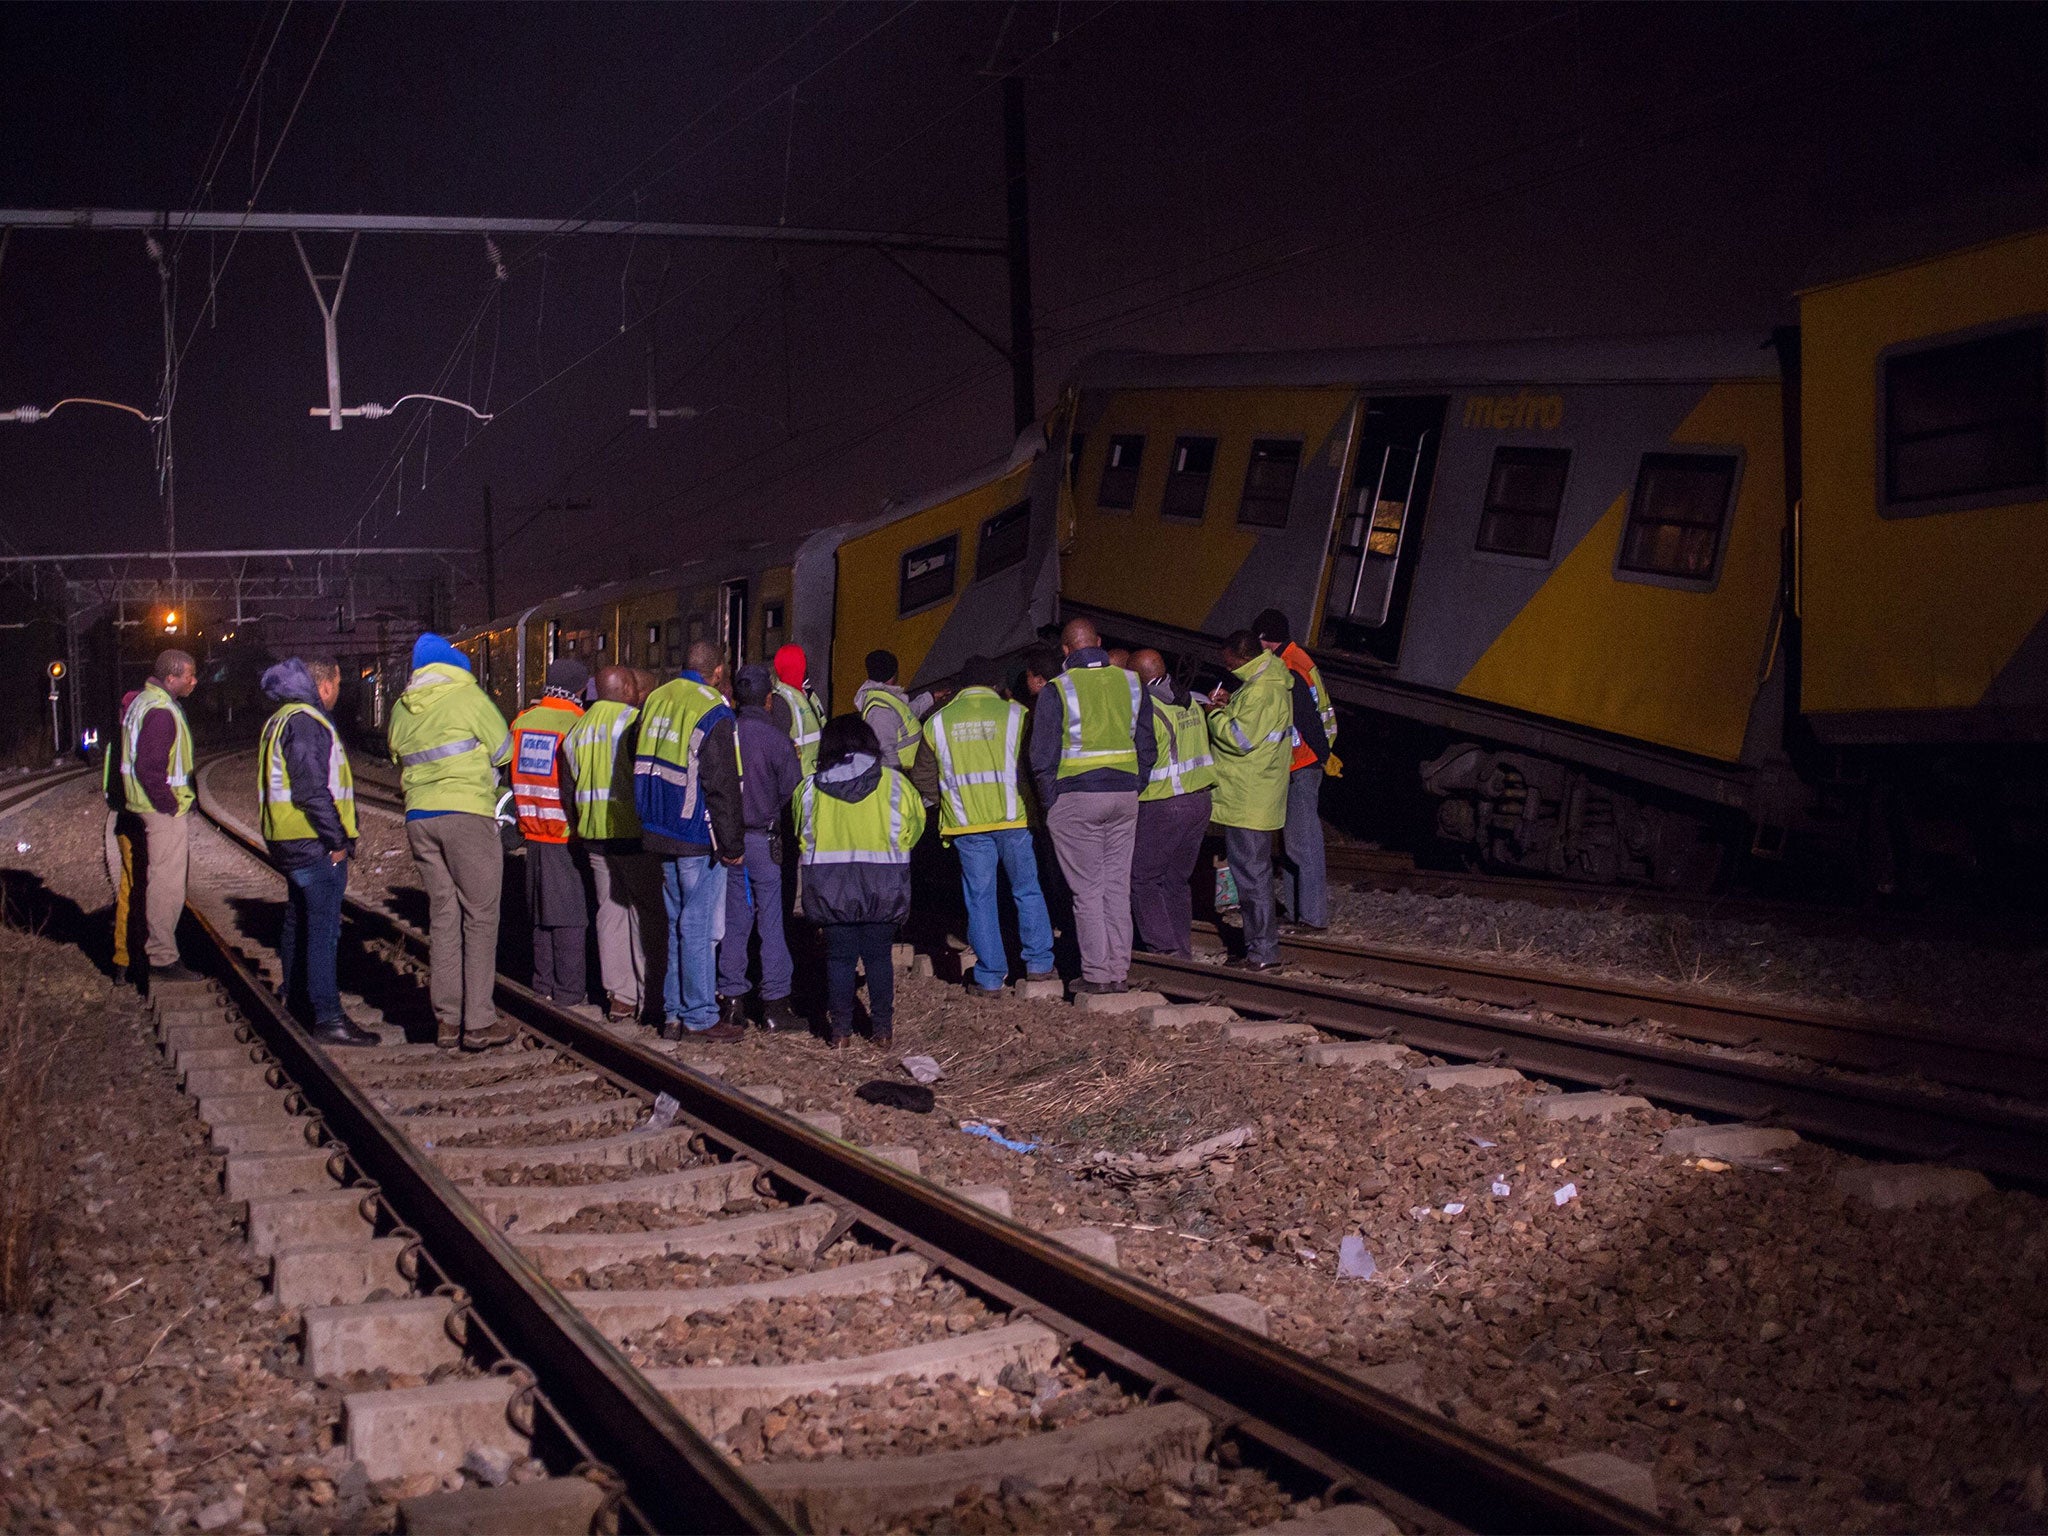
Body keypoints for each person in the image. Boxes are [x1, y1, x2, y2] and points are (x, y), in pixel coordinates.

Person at [389, 633, 515, 1050]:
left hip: (419, 819)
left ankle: (446, 1020)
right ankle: (478, 1022)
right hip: (466, 815)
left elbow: (397, 757)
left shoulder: (401, 708)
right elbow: (503, 749)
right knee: (480, 916)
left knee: (443, 916)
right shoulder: (469, 697)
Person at [1028, 618, 1156, 994]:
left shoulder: (1058, 689)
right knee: (1116, 886)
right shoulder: (1132, 682)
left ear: (1065, 651)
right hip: (1123, 796)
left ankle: (1097, 975)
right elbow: (1148, 744)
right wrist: (1135, 784)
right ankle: (1119, 971)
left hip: (1076, 797)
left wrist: (1051, 803)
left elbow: (1041, 756)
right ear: (1099, 642)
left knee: (1087, 891)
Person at [918, 654, 1054, 996]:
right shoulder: (1018, 715)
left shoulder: (938, 722)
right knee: (1027, 890)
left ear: (962, 686)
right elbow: (1034, 765)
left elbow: (922, 775)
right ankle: (1039, 965)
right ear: (997, 685)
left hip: (966, 825)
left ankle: (991, 976)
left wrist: (950, 798)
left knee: (980, 899)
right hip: (1014, 818)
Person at [258, 656, 376, 1046]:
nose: (338, 694)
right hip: (312, 841)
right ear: (324, 685)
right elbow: (310, 790)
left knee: (298, 921)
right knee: (324, 931)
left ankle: (297, 1005)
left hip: (287, 838)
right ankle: (327, 1017)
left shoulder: (281, 718)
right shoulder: (307, 721)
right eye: (338, 686)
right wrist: (338, 841)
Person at [634, 639, 746, 1042]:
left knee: (677, 921)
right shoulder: (713, 710)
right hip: (696, 832)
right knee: (696, 925)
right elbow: (722, 786)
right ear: (717, 671)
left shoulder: (657, 699)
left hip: (658, 827)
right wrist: (732, 846)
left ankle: (674, 1013)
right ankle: (700, 1015)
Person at [796, 714, 924, 1047]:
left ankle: (840, 1032)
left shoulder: (809, 789)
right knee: (879, 958)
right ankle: (882, 1031)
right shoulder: (896, 784)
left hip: (830, 888)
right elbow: (915, 826)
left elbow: (801, 834)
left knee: (839, 959)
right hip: (884, 885)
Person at [564, 665, 660, 1024]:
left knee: (610, 913)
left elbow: (569, 787)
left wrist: (579, 829)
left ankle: (620, 998)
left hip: (594, 837)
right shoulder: (634, 723)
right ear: (623, 690)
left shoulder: (578, 729)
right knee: (644, 912)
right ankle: (649, 994)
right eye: (633, 685)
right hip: (632, 834)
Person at [718, 664, 803, 1030]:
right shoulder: (776, 740)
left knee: (735, 920)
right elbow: (792, 791)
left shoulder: (724, 732)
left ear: (735, 697)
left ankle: (732, 1000)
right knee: (771, 921)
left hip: (728, 840)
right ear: (769, 700)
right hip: (764, 839)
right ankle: (775, 1006)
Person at [1203, 629, 1293, 971]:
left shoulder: (1261, 690)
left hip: (1248, 798)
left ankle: (1263, 953)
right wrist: (1231, 705)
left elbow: (1239, 740)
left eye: (1229, 662)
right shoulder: (1267, 681)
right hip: (1256, 793)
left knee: (1252, 879)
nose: (1227, 668)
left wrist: (1214, 714)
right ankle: (1260, 948)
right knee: (1253, 875)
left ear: (1242, 658)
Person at [510, 659, 591, 1011]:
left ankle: (542, 985)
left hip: (532, 828)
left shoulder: (521, 722)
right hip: (563, 831)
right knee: (571, 915)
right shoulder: (575, 723)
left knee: (540, 913)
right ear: (580, 690)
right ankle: (570, 992)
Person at [1254, 608, 1338, 932]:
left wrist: (1321, 754)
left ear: (1266, 640)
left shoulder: (1289, 667)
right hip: (1302, 760)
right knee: (1293, 842)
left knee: (1304, 843)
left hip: (1303, 761)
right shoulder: (1296, 658)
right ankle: (1294, 912)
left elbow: (1305, 716)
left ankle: (1313, 918)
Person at [119, 649, 201, 984]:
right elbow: (149, 768)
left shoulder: (143, 701)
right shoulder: (162, 711)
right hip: (159, 811)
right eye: (189, 676)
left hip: (143, 806)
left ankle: (156, 952)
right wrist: (169, 804)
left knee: (157, 881)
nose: (194, 681)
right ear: (172, 678)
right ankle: (163, 957)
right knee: (166, 885)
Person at [1128, 649, 1216, 958]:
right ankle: (1181, 950)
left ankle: (1163, 950)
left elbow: (1145, 758)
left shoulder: (1148, 709)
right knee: (1176, 881)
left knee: (1143, 878)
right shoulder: (1188, 699)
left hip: (1165, 802)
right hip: (1201, 800)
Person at [102, 686, 143, 982]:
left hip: (124, 824)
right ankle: (138, 957)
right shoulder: (141, 735)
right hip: (140, 825)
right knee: (145, 889)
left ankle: (122, 959)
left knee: (128, 889)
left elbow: (109, 790)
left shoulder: (116, 737)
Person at [854, 649, 933, 770]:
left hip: (912, 771)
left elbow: (905, 716)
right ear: (894, 673)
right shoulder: (880, 710)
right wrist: (897, 780)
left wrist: (930, 698)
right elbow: (885, 752)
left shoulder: (884, 697)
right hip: (906, 773)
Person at [769, 643, 825, 776]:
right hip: (797, 780)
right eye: (803, 661)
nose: (806, 666)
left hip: (813, 775)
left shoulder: (807, 694)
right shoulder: (780, 700)